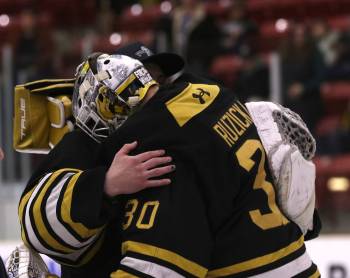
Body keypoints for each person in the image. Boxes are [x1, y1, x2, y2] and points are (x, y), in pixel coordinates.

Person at [74, 54, 320, 277]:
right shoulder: (213, 94)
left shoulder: (159, 157)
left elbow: (157, 269)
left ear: (110, 103)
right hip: (299, 264)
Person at [17, 47, 185, 278]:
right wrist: (105, 185)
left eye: (159, 80)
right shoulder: (80, 143)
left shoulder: (166, 137)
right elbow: (36, 226)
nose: (152, 89)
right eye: (141, 79)